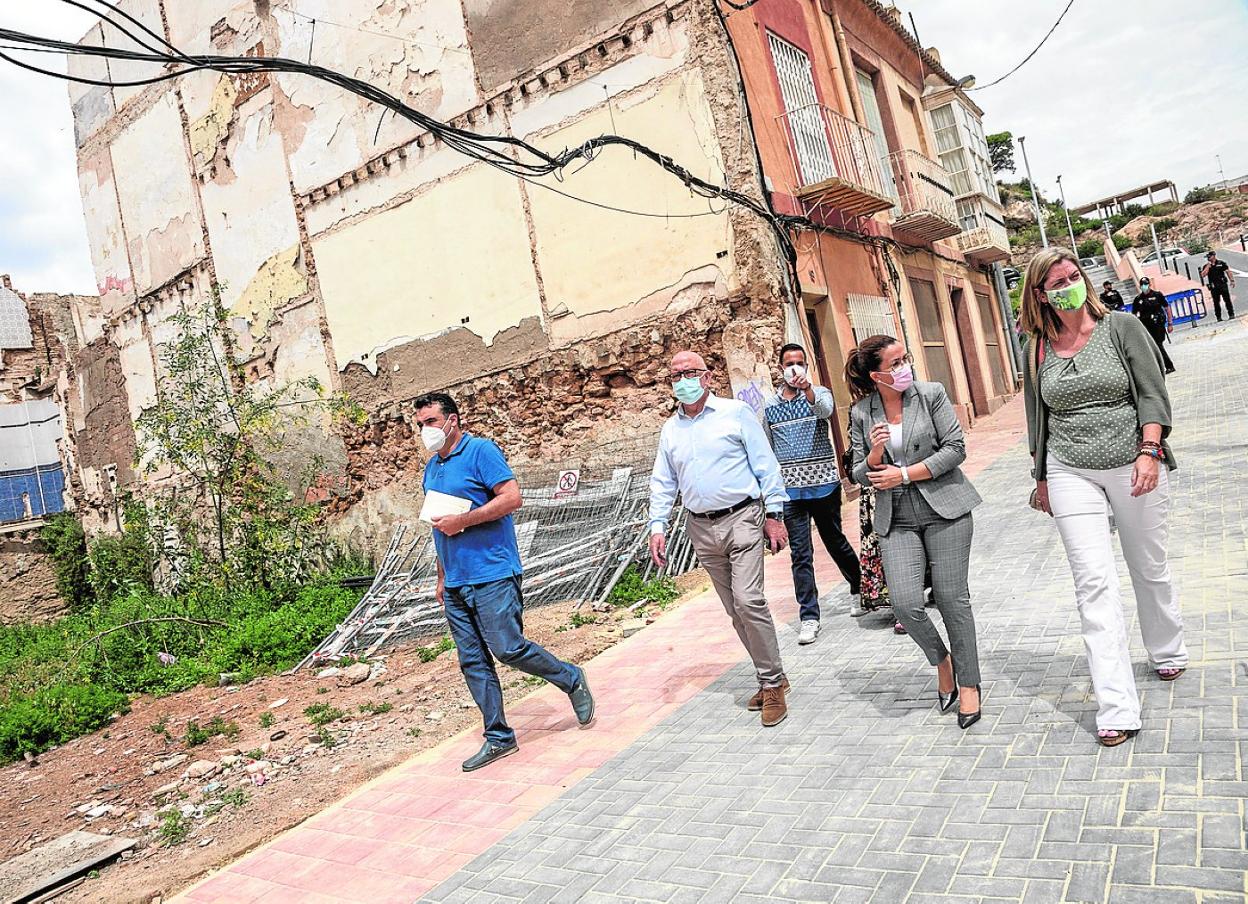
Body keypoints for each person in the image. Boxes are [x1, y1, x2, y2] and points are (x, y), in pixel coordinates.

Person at [1020, 247, 1187, 749]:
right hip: (1069, 469)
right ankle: (1117, 705)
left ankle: (1166, 647)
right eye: (1056, 282)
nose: (1068, 286)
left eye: (1072, 276)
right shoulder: (1036, 348)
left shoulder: (1121, 328)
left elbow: (1152, 394)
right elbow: (1037, 417)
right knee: (1094, 583)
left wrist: (1150, 451)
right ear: (1040, 294)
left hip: (1132, 461)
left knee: (1147, 565)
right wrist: (1042, 477)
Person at [416, 393, 595, 772]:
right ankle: (498, 737)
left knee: (508, 647)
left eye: (430, 422)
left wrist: (464, 521)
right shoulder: (432, 469)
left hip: (493, 573)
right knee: (472, 661)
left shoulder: (481, 451)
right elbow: (438, 528)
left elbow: (512, 498)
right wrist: (442, 577)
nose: (425, 431)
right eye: (420, 425)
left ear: (452, 420)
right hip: (456, 582)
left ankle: (570, 678)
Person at [846, 336, 985, 729]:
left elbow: (955, 448)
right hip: (897, 517)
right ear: (877, 375)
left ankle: (970, 684)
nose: (905, 365)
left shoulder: (930, 394)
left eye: (904, 357)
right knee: (906, 605)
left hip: (946, 507)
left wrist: (904, 473)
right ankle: (943, 660)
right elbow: (858, 471)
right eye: (896, 362)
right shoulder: (862, 412)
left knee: (951, 598)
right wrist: (874, 456)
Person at [649, 351, 792, 726]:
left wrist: (774, 515)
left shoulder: (735, 414)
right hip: (700, 527)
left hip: (743, 518)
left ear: (708, 377)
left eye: (690, 372)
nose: (683, 380)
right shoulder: (671, 430)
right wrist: (657, 525)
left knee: (749, 601)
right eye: (676, 374)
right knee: (734, 610)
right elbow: (663, 482)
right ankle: (770, 673)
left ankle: (773, 684)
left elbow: (765, 465)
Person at [763, 343, 863, 643]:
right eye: (789, 363)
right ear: (780, 367)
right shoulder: (769, 406)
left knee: (836, 542)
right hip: (791, 492)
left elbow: (825, 411)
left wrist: (807, 388)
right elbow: (767, 449)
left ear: (807, 366)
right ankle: (809, 616)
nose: (794, 368)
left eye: (800, 363)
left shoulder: (818, 394)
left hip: (824, 484)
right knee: (801, 554)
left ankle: (859, 587)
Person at [1132, 277, 1176, 374]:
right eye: (1142, 285)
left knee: (1158, 345)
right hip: (1146, 327)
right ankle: (1158, 367)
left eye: (1146, 284)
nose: (1144, 287)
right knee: (1150, 348)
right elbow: (1134, 314)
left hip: (1157, 326)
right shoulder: (1138, 299)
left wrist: (1170, 323)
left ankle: (1169, 365)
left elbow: (1167, 308)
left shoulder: (1157, 295)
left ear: (1149, 284)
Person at [1200, 251, 1236, 321]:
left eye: (1209, 256)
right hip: (1214, 287)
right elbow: (1203, 275)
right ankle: (1219, 317)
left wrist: (1232, 281)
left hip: (1222, 285)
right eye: (1207, 257)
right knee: (1216, 302)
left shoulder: (1221, 263)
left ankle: (1231, 314)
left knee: (1227, 300)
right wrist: (1208, 266)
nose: (1208, 258)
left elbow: (1228, 271)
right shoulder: (1206, 266)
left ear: (1213, 256)